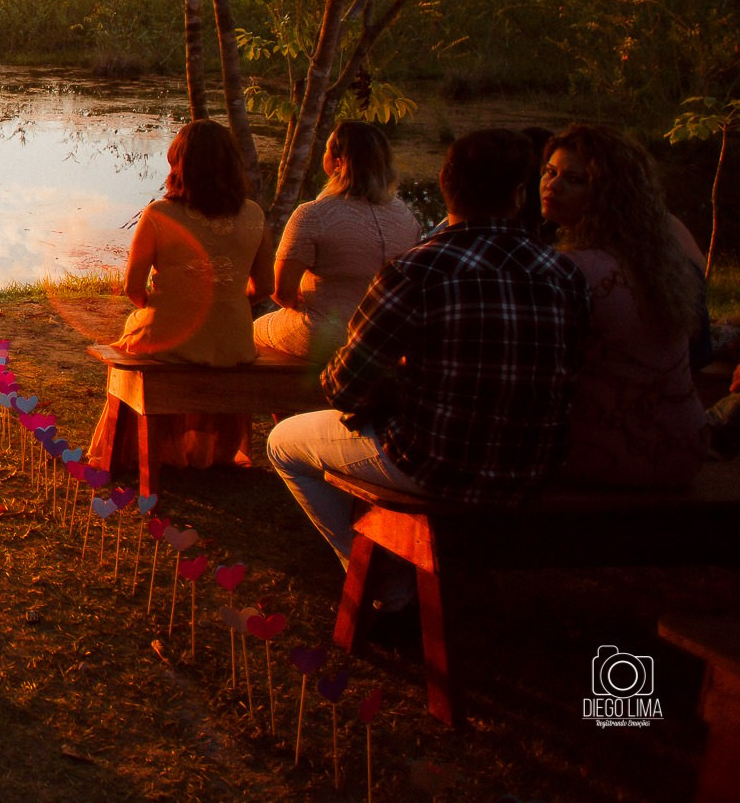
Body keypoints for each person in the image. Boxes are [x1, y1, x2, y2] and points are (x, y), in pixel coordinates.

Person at [268, 129, 590, 615]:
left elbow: (342, 386)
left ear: (445, 183)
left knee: (284, 443)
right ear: (519, 194)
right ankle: (404, 571)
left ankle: (386, 585)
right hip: (534, 466)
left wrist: (395, 381)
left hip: (437, 463)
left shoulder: (419, 270)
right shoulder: (564, 274)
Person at [97, 119, 274, 468]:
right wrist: (228, 302)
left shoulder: (160, 214)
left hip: (172, 338)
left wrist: (169, 305)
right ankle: (209, 452)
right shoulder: (254, 214)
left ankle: (142, 452)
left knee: (132, 339)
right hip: (233, 341)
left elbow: (134, 289)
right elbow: (264, 288)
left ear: (179, 163)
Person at [539, 124, 708, 488]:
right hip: (685, 450)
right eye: (550, 172)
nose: (551, 185)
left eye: (574, 179)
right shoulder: (659, 260)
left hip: (604, 458)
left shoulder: (570, 269)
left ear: (607, 196)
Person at [253, 121, 419, 363]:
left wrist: (303, 298)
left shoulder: (313, 214)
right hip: (386, 336)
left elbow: (281, 292)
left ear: (339, 163)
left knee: (255, 329)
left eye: (328, 149)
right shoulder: (406, 216)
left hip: (326, 334)